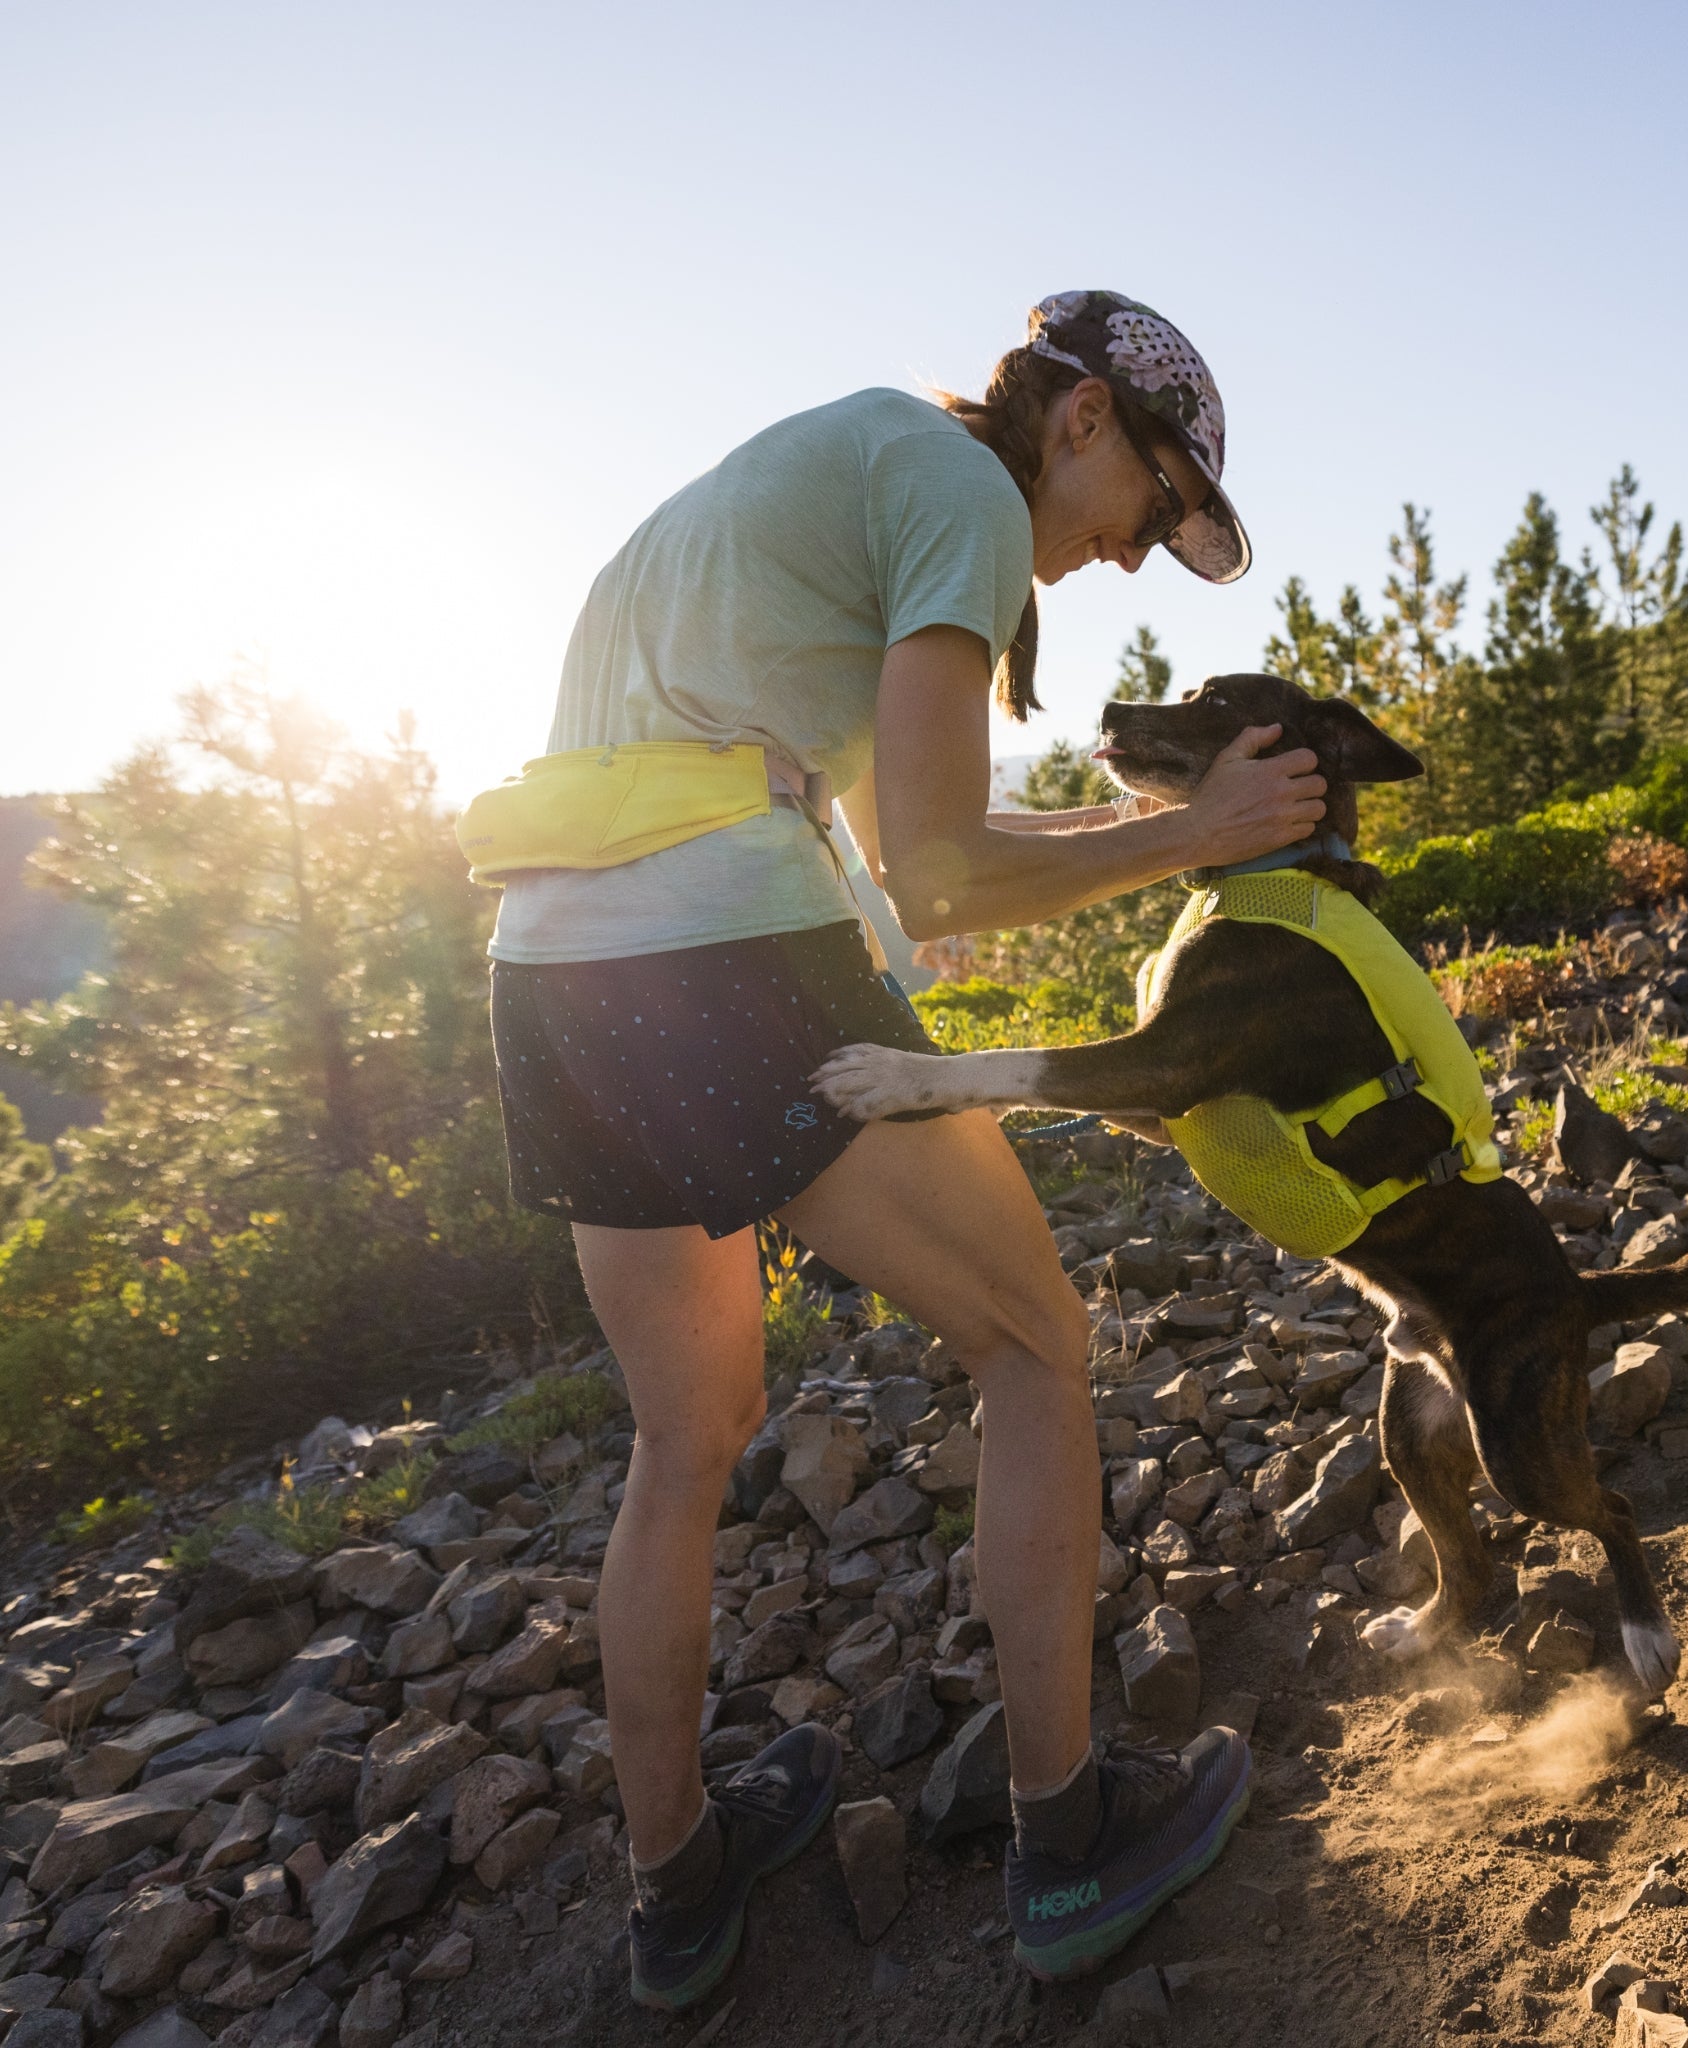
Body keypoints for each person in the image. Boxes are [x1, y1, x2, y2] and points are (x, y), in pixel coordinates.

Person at [484, 290, 1329, 2009]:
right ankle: (1072, 1842)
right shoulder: (963, 496)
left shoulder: (845, 459)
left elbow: (900, 832)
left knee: (686, 1432)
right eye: (1154, 500)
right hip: (722, 954)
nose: (1137, 552)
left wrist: (1156, 827)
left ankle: (680, 1892)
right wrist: (1198, 836)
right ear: (1079, 416)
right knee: (1038, 1344)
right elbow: (937, 872)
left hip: (554, 972)